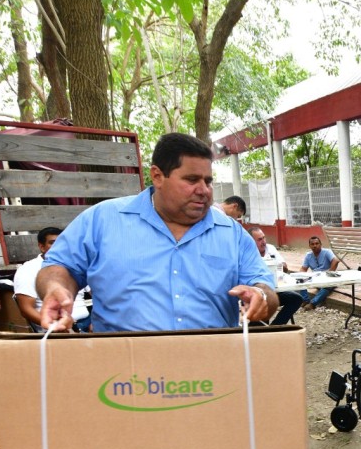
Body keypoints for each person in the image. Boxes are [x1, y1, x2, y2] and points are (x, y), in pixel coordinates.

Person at [39, 133, 277, 332]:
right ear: (157, 176)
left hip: (207, 376)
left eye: (208, 181)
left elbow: (265, 288)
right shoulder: (102, 220)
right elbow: (59, 267)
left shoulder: (231, 234)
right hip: (122, 375)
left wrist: (261, 297)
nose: (204, 190)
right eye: (192, 179)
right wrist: (56, 289)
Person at [12, 227, 91, 332]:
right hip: (57, 328)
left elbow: (97, 294)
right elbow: (26, 309)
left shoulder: (76, 265)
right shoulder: (28, 269)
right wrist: (55, 327)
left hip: (87, 323)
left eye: (62, 243)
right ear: (42, 247)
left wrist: (96, 322)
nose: (58, 247)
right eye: (52, 243)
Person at [250, 227, 302, 326]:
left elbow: (285, 266)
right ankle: (256, 331)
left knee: (296, 298)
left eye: (264, 238)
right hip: (257, 294)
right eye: (260, 239)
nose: (263, 242)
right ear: (251, 242)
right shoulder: (249, 253)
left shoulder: (271, 248)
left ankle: (275, 327)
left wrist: (279, 266)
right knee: (265, 304)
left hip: (276, 291)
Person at [299, 235, 339, 311]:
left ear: (320, 244)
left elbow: (335, 261)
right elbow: (303, 268)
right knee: (300, 280)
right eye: (312, 244)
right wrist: (301, 276)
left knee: (326, 287)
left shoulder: (327, 252)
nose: (315, 246)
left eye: (317, 243)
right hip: (316, 278)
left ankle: (312, 303)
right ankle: (305, 300)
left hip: (328, 278)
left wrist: (330, 273)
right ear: (309, 246)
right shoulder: (308, 255)